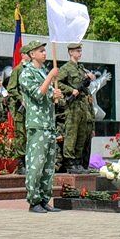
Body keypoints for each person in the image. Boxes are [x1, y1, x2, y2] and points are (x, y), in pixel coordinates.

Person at [18, 40, 61, 213]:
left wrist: (55, 92)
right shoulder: (26, 73)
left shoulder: (43, 71)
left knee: (49, 165)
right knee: (36, 163)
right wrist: (51, 77)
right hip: (37, 124)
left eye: (44, 50)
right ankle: (34, 200)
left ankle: (44, 199)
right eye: (41, 51)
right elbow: (37, 94)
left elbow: (49, 94)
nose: (44, 53)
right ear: (32, 54)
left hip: (49, 124)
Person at [57, 43, 95, 173]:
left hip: (83, 106)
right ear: (71, 52)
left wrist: (89, 78)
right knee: (72, 134)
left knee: (81, 135)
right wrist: (70, 90)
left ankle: (78, 162)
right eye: (77, 51)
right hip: (72, 106)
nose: (80, 53)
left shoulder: (81, 68)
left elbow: (84, 85)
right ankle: (69, 161)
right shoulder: (66, 68)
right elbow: (56, 82)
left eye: (80, 51)